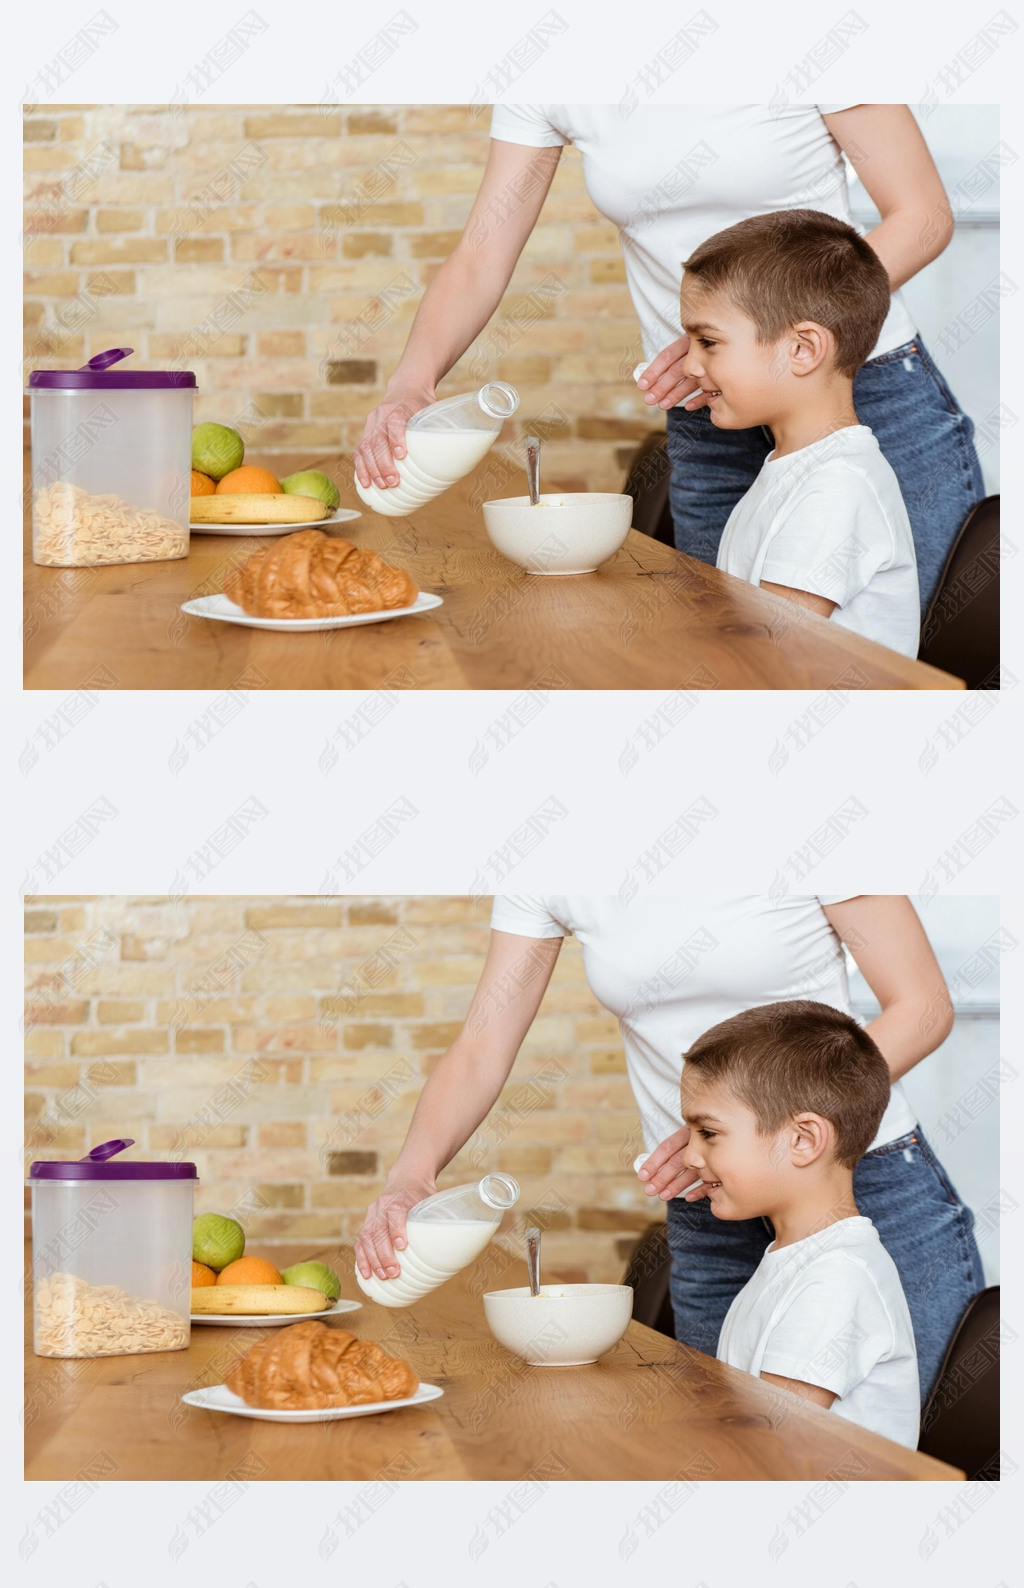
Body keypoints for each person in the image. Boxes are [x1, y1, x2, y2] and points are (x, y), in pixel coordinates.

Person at [353, 106, 985, 616]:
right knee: (725, 643)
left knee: (920, 655)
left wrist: (753, 340)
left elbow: (923, 215)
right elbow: (480, 255)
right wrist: (411, 383)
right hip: (707, 408)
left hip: (857, 387)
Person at [354, 895, 984, 1405]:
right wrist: (411, 1176)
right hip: (707, 1200)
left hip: (858, 1179)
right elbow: (480, 1046)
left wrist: (751, 1128)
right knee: (723, 1431)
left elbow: (922, 1006)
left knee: (914, 1449)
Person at [678, 208, 919, 655]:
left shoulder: (836, 488)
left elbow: (767, 652)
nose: (690, 365)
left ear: (803, 349)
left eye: (708, 342)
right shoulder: (798, 467)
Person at [680, 999, 919, 1448]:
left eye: (708, 1134)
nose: (691, 1156)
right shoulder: (797, 1258)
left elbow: (768, 1444)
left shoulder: (836, 1280)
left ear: (804, 1140)